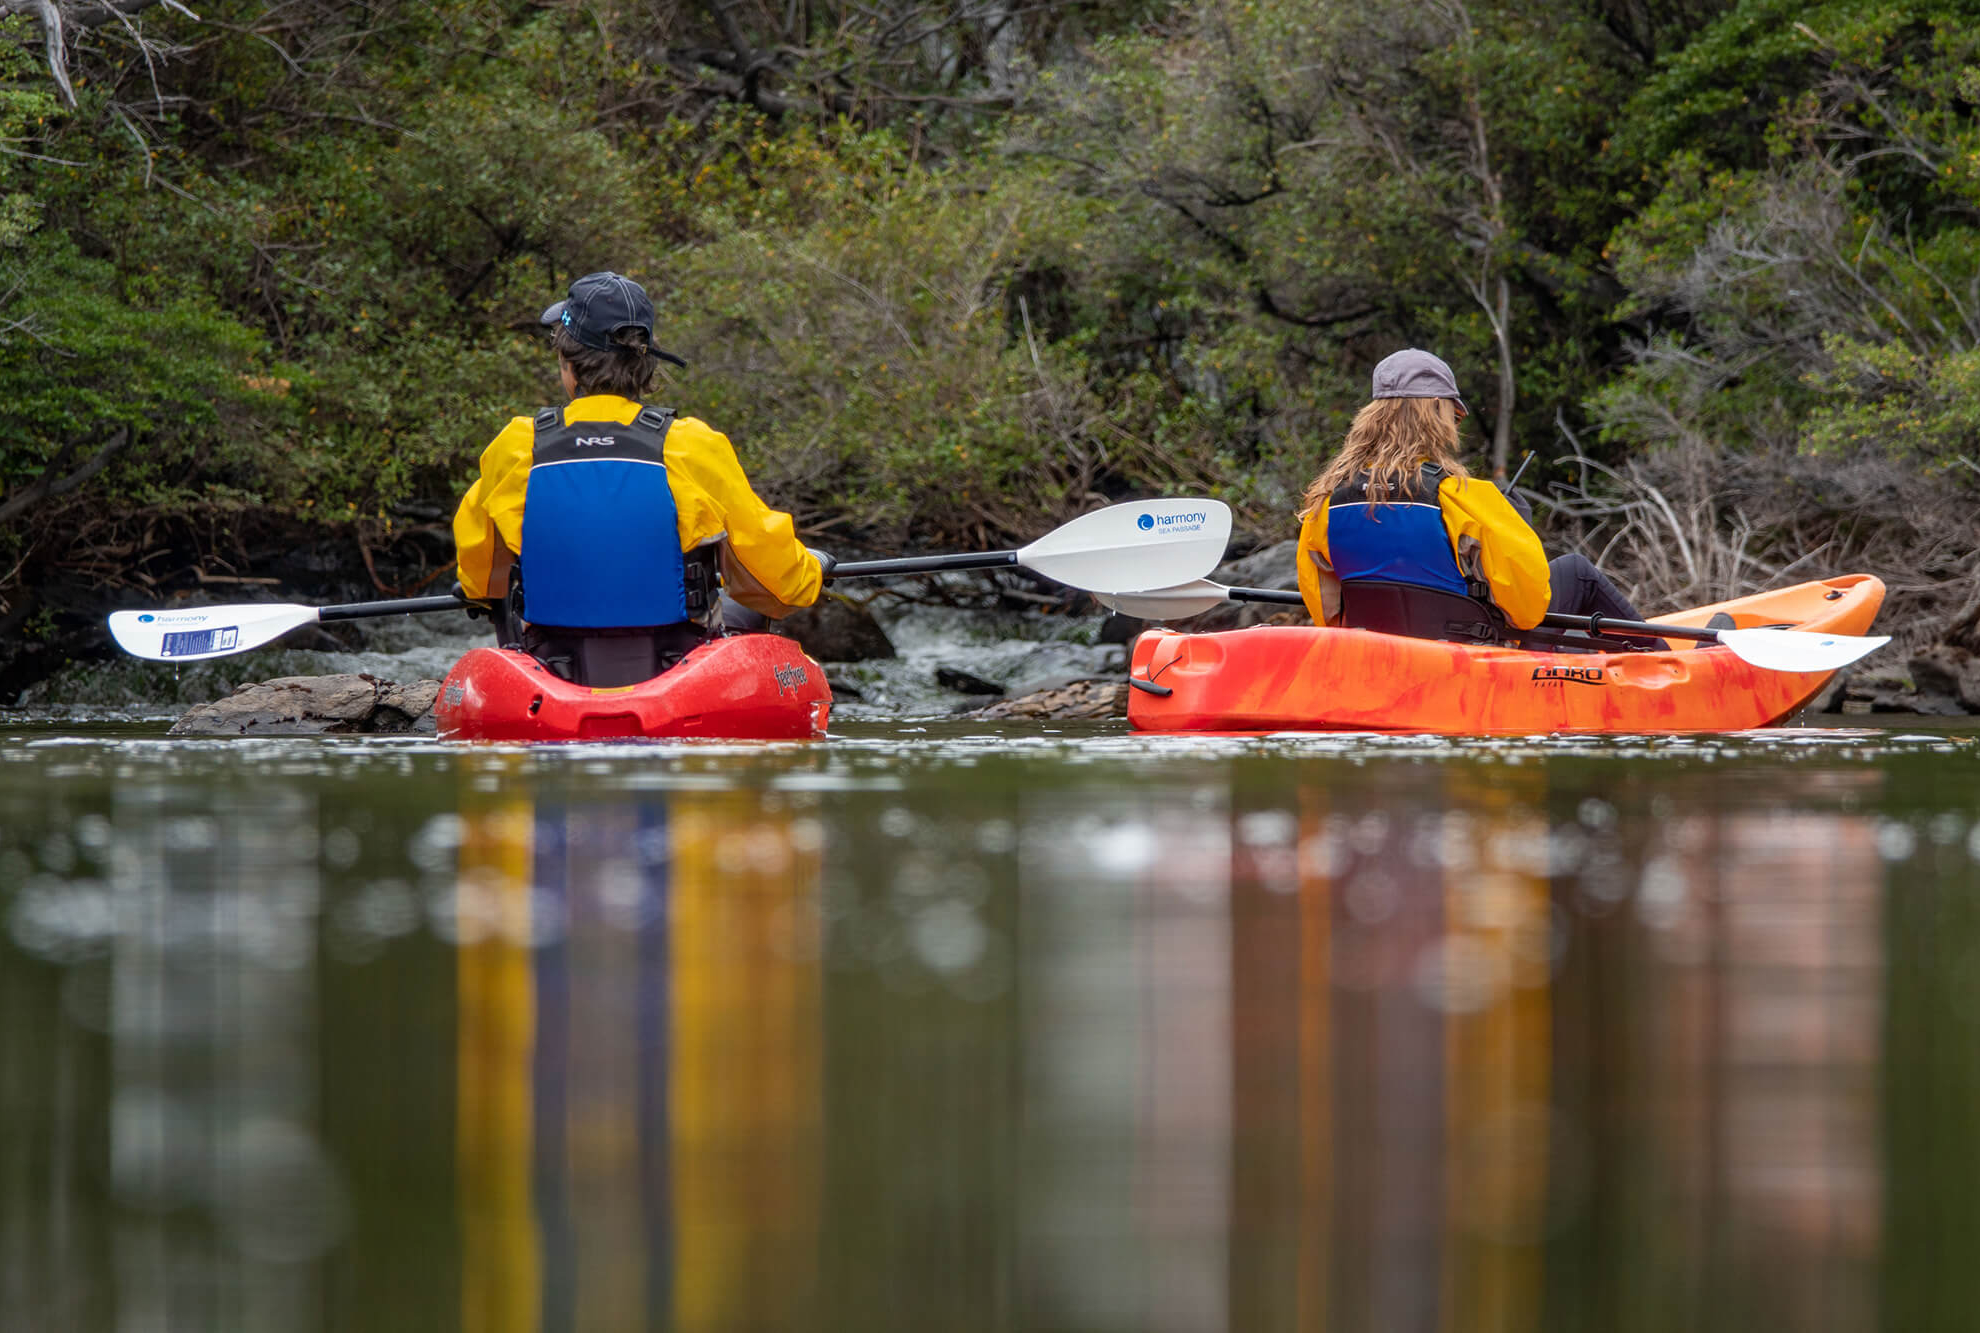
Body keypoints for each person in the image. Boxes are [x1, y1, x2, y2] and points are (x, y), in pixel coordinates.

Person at [453, 271, 829, 686]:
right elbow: (777, 584)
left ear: (568, 364)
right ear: (646, 364)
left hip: (555, 671)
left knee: (504, 600)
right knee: (750, 606)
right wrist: (814, 568)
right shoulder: (692, 445)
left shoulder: (517, 445)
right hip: (676, 672)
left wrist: (475, 593)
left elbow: (481, 578)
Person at [1295, 348, 1662, 648]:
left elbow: (1325, 611)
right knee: (1577, 572)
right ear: (1437, 409)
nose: (1456, 425)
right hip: (1473, 660)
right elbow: (1528, 609)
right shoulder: (1463, 496)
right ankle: (1668, 664)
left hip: (1383, 654)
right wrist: (1518, 527)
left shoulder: (1327, 503)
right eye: (1454, 415)